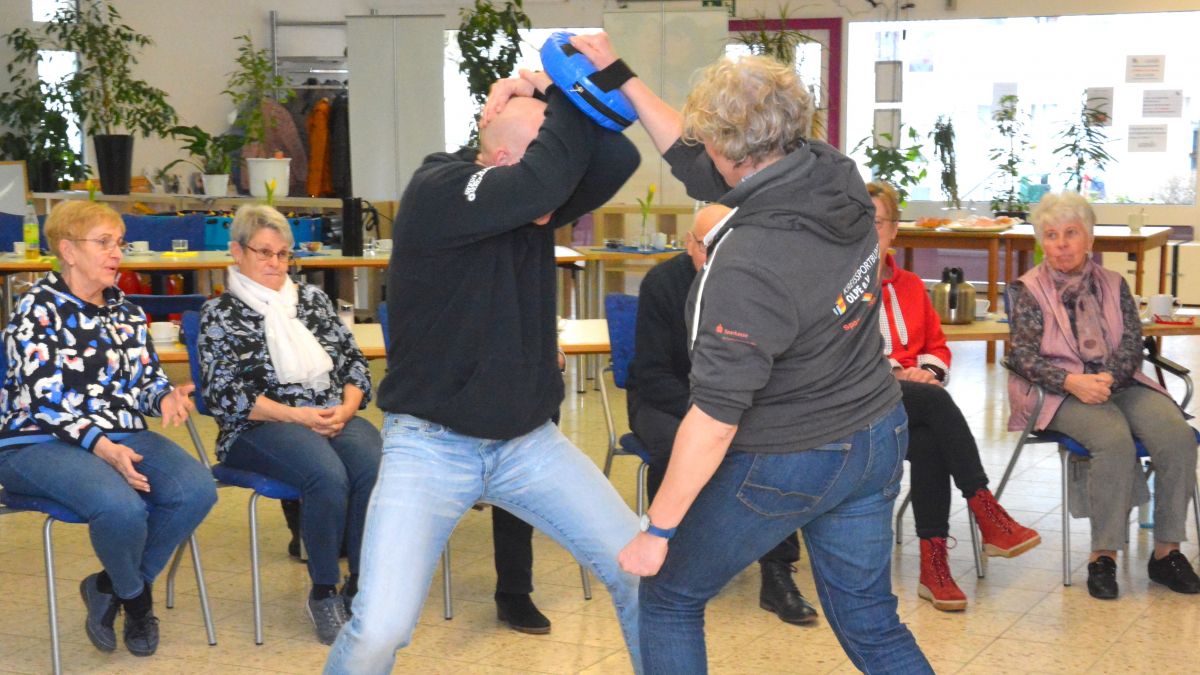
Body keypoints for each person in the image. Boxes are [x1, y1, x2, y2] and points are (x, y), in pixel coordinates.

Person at [568, 34, 931, 673]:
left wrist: (657, 531)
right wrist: (618, 73)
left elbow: (713, 417)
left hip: (795, 455)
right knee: (873, 625)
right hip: (875, 431)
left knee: (670, 596)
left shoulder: (745, 264)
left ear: (728, 147)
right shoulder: (833, 174)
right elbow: (701, 159)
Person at [324, 71, 643, 674]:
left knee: (642, 571)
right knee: (379, 629)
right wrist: (552, 112)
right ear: (500, 160)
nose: (561, 186)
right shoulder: (437, 190)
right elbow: (544, 177)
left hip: (528, 445)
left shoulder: (535, 202)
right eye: (543, 159)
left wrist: (548, 90)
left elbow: (617, 155)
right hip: (430, 446)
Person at [0, 200, 216, 657]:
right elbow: (46, 399)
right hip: (36, 441)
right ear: (68, 250)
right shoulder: (36, 310)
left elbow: (145, 381)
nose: (116, 252)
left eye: (119, 243)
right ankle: (137, 603)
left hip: (119, 433)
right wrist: (102, 447)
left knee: (196, 488)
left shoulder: (127, 312)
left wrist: (165, 397)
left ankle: (109, 586)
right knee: (121, 508)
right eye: (103, 242)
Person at [197, 204, 381, 644]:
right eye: (264, 252)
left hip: (330, 413)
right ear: (237, 252)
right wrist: (297, 416)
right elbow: (225, 396)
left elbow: (355, 363)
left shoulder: (313, 301)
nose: (275, 264)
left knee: (374, 464)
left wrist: (347, 408)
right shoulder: (220, 314)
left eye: (283, 255)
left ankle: (361, 585)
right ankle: (323, 591)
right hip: (259, 426)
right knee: (326, 475)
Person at [626, 203, 818, 626]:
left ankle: (777, 571)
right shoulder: (663, 284)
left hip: (737, 399)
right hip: (665, 398)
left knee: (774, 447)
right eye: (706, 247)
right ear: (689, 244)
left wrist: (729, 412)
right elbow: (653, 372)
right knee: (677, 444)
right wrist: (707, 415)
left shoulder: (757, 282)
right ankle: (671, 561)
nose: (715, 257)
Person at [1007, 191, 1200, 600]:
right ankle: (1103, 557)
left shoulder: (1115, 283)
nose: (1061, 243)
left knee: (1177, 437)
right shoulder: (1028, 290)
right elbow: (1022, 355)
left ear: (1090, 239)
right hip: (1058, 392)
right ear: (1042, 241)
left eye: (1071, 233)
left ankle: (1166, 553)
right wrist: (1073, 382)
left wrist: (1108, 378)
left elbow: (1133, 343)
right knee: (1112, 441)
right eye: (1051, 234)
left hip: (1120, 383)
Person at [868, 182, 1040, 611]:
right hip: (858, 402)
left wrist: (925, 371)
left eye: (877, 222)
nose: (868, 231)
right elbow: (840, 348)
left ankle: (934, 564)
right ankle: (985, 510)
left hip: (912, 400)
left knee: (930, 442)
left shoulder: (910, 285)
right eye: (858, 221)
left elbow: (937, 344)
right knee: (936, 405)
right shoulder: (836, 285)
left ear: (893, 231)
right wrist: (897, 371)